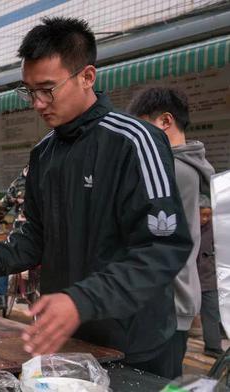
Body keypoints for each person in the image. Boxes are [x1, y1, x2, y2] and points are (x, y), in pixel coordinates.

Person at [0, 17, 192, 379]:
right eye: (29, 91)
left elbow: (163, 249)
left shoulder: (134, 141)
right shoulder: (44, 154)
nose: (37, 103)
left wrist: (80, 300)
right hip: (68, 342)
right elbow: (35, 236)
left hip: (134, 347)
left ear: (87, 77)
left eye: (48, 89)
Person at [127, 87, 215, 372]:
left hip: (167, 304)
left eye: (143, 128)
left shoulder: (174, 169)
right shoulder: (185, 166)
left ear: (166, 121)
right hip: (173, 299)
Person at [0, 166, 29, 316]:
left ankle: (0, 296)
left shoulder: (19, 182)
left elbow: (3, 205)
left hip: (23, 233)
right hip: (47, 233)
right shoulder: (49, 177)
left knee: (3, 254)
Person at [197, 195, 224, 358]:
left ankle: (213, 347)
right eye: (203, 214)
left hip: (209, 278)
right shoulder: (188, 225)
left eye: (208, 215)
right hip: (190, 279)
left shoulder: (216, 228)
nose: (205, 218)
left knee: (212, 313)